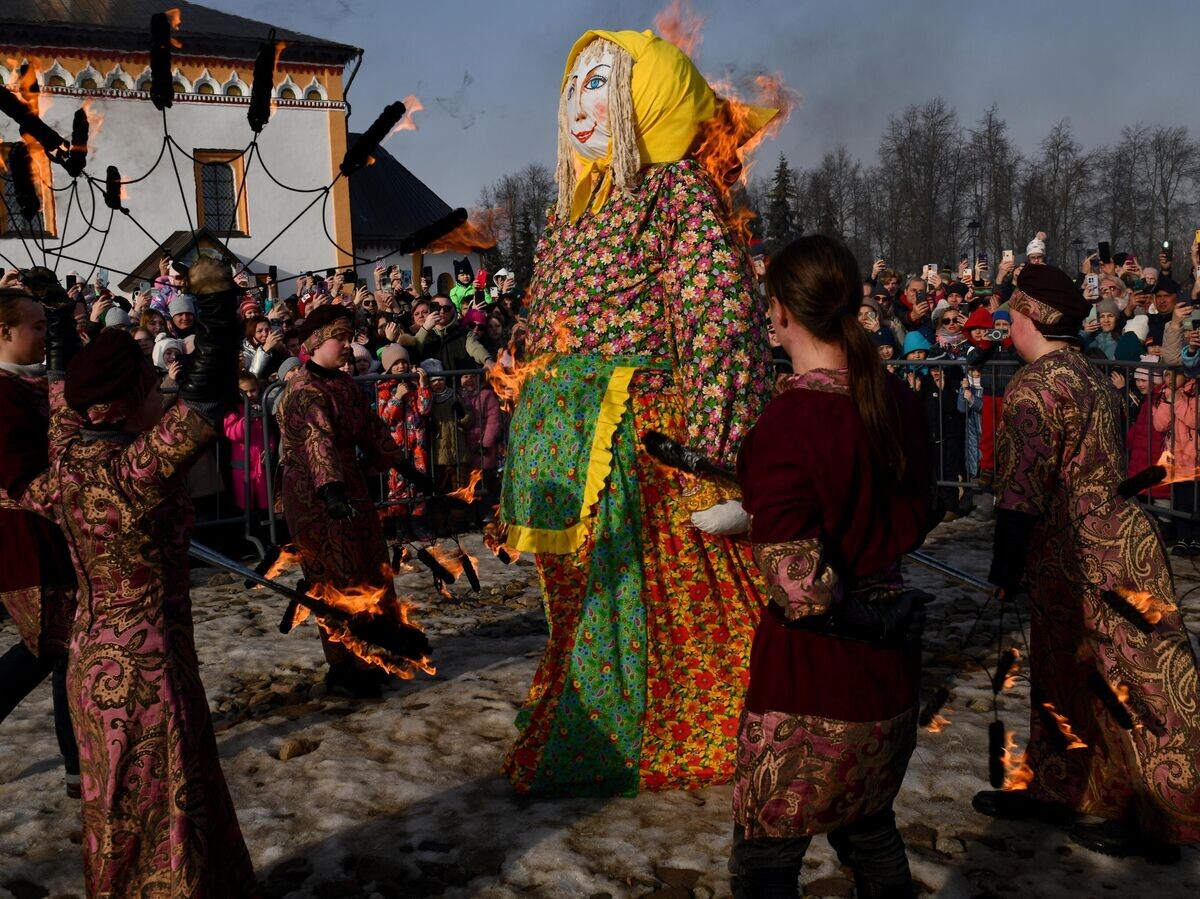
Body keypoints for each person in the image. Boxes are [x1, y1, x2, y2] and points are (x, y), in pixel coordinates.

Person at [499, 28, 775, 796]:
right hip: (565, 442)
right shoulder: (571, 207)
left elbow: (716, 322)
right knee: (582, 597)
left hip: (644, 445)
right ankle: (586, 714)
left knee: (664, 595)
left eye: (599, 84)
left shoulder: (676, 190)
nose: (579, 104)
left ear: (643, 98)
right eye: (572, 85)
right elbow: (544, 317)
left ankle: (683, 727)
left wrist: (725, 464)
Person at [2, 259, 257, 895]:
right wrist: (220, 318)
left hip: (95, 663)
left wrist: (61, 323)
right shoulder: (131, 473)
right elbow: (201, 404)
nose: (159, 400)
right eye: (150, 391)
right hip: (146, 671)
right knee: (160, 807)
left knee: (118, 807)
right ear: (124, 403)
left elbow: (63, 388)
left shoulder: (67, 455)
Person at [729, 235, 934, 898]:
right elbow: (914, 511)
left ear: (784, 310)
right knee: (868, 825)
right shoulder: (894, 401)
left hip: (813, 682)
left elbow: (800, 584)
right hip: (890, 677)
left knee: (767, 858)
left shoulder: (792, 421)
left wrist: (758, 523)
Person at [978, 264, 1200, 862]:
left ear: (1028, 317)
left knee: (1115, 682)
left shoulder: (1035, 386)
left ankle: (1140, 812)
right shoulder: (1088, 374)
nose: (1006, 325)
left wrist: (1003, 569)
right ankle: (1063, 788)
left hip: (1086, 557)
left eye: (1010, 315)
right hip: (1110, 544)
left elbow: (1021, 491)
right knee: (1065, 674)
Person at [276, 304, 432, 696]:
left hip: (350, 489)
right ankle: (347, 665)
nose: (346, 346)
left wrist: (404, 465)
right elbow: (317, 443)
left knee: (372, 567)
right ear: (314, 343)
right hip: (315, 496)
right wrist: (330, 489)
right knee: (336, 577)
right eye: (338, 339)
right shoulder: (303, 390)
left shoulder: (345, 386)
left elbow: (371, 429)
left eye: (349, 338)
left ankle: (380, 650)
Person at [0, 281, 80, 798]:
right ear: (4, 332)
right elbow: (19, 471)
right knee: (50, 645)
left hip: (59, 530)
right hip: (27, 535)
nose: (44, 334)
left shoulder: (36, 382)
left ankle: (79, 764)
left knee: (66, 651)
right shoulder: (1, 392)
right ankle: (79, 762)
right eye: (37, 326)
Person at [377, 344, 432, 538]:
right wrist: (397, 397)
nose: (401, 366)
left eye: (404, 362)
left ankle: (419, 523)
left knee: (418, 483)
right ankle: (400, 525)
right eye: (396, 363)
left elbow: (425, 409)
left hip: (417, 445)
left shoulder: (414, 386)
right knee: (397, 485)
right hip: (396, 447)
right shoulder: (383, 389)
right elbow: (385, 419)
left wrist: (424, 386)